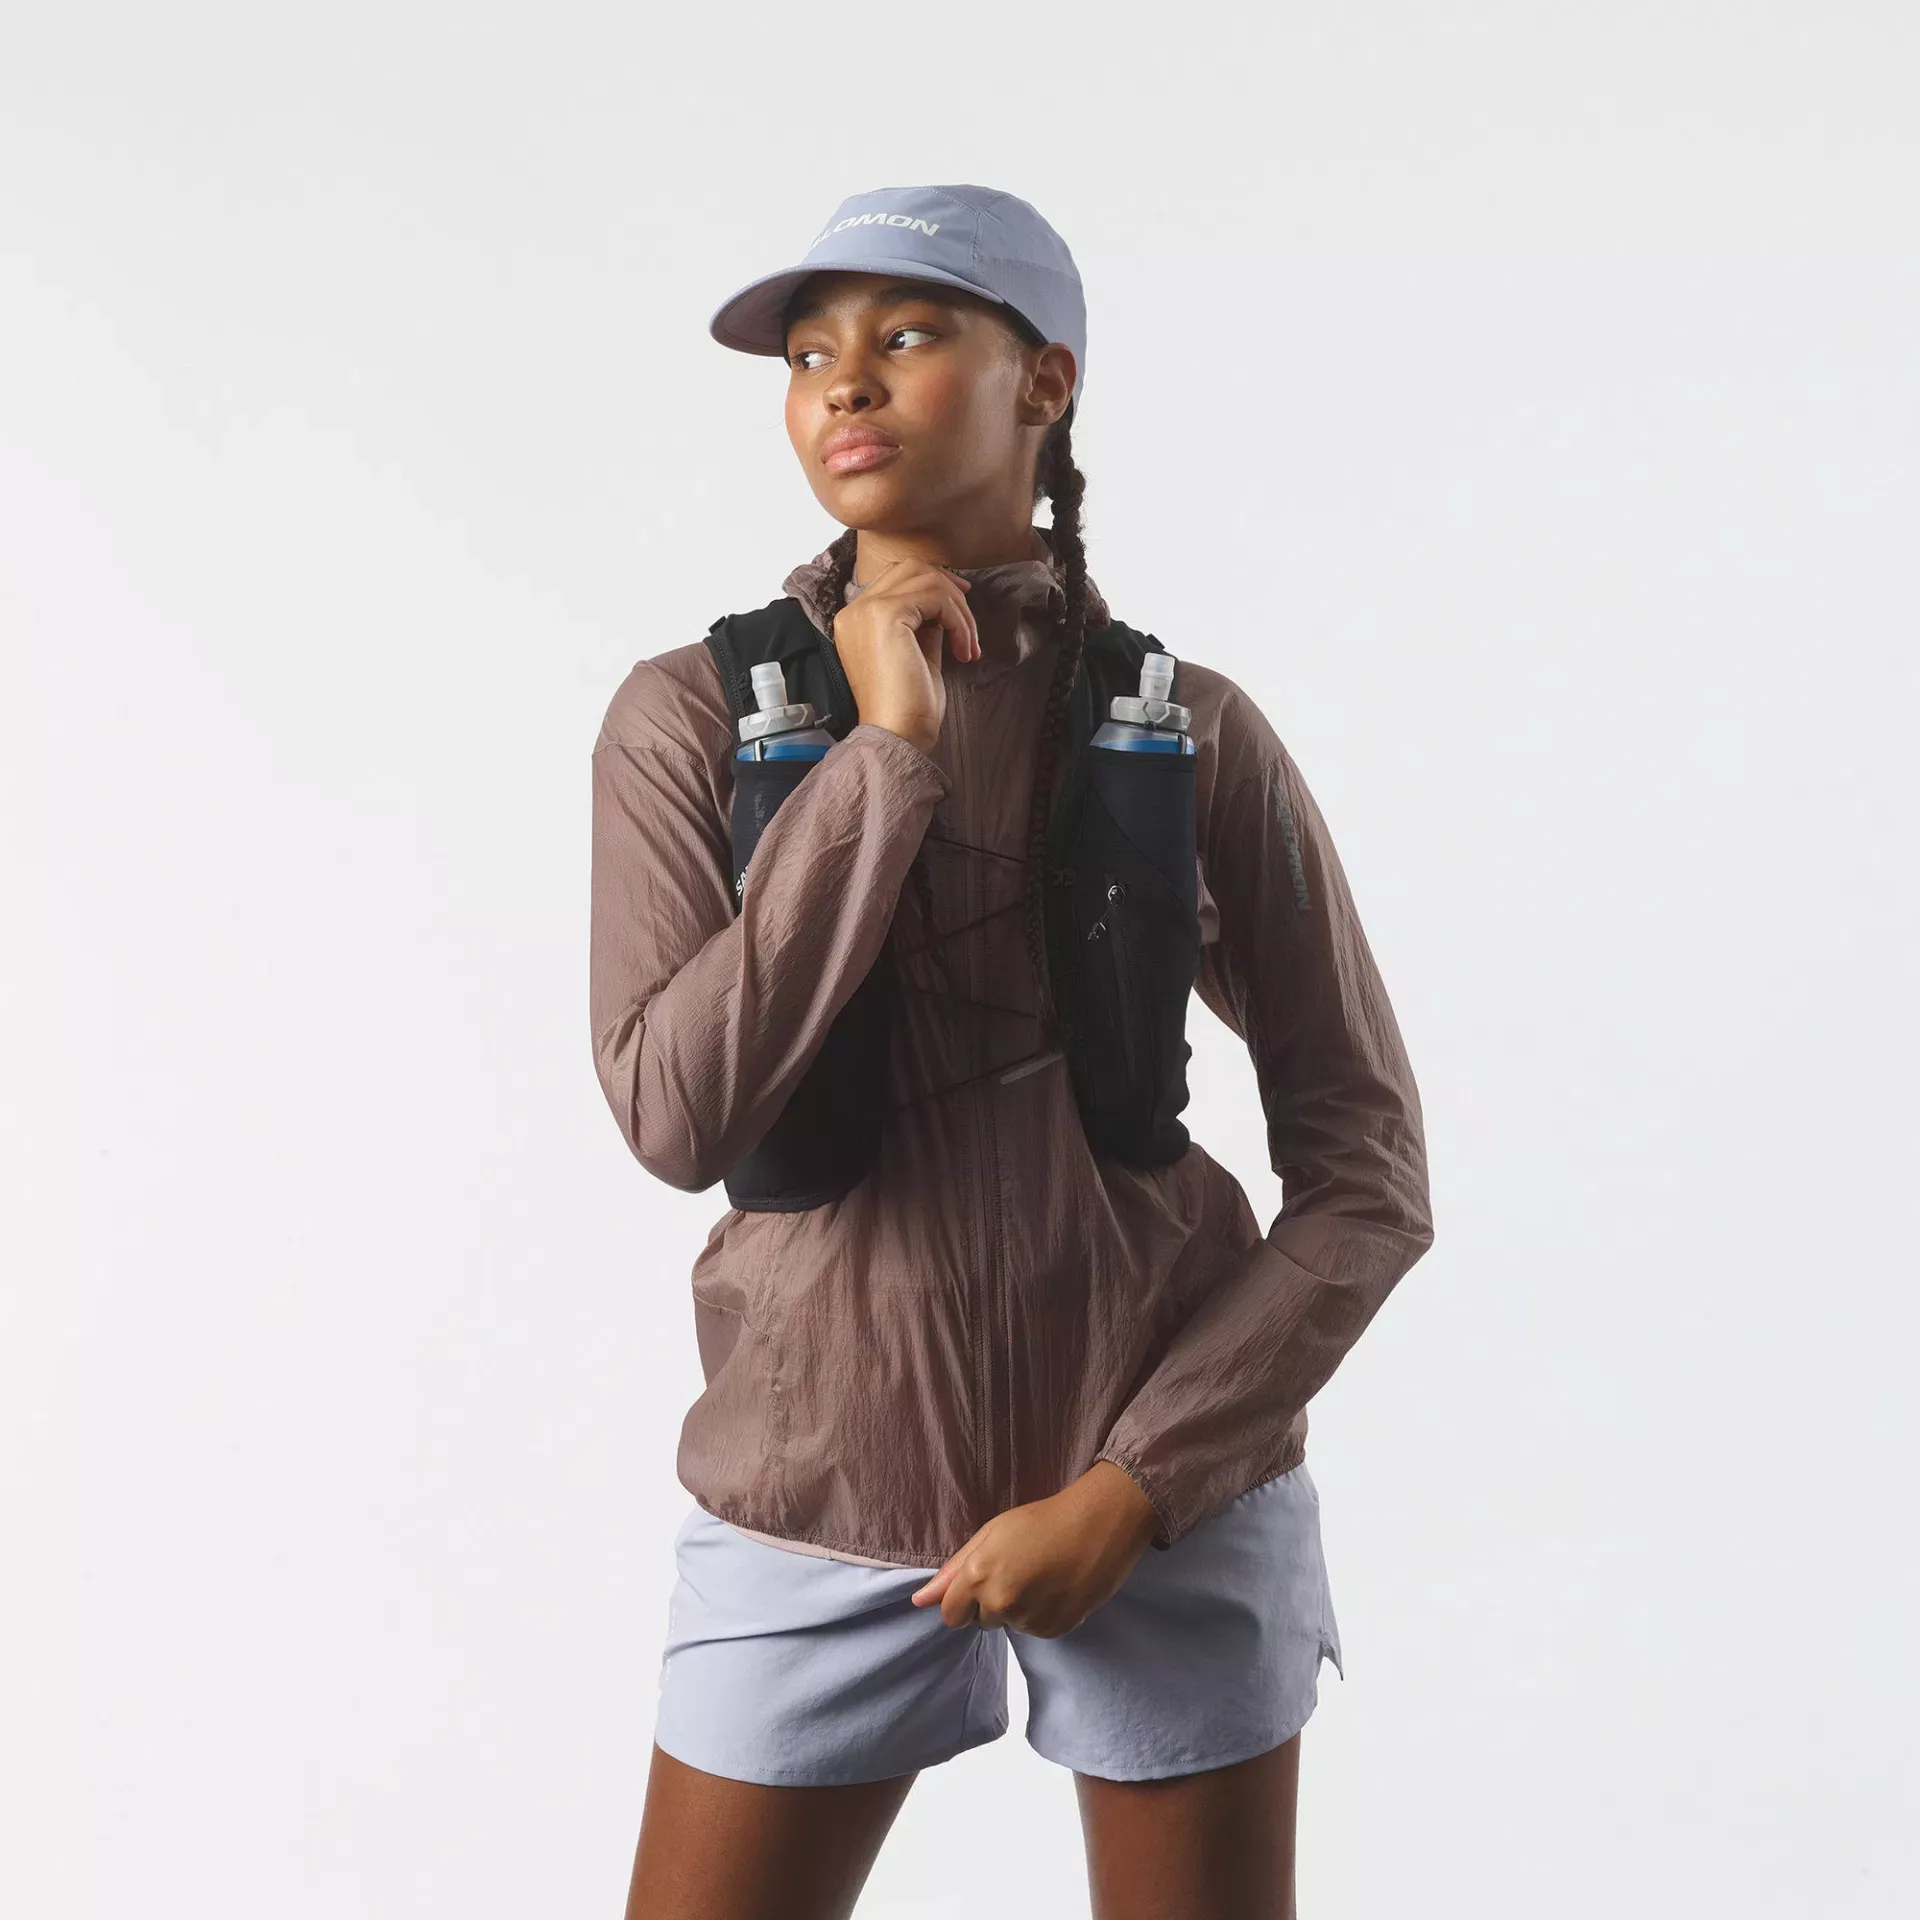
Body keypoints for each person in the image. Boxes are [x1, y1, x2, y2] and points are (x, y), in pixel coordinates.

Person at [590, 183, 1434, 1919]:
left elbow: (1370, 1175)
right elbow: (675, 1114)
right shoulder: (686, 718)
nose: (843, 382)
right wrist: (886, 757)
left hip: (1166, 1489)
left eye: (907, 335)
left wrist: (1142, 1483)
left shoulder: (1187, 731)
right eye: (808, 354)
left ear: (1045, 380)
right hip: (808, 1487)